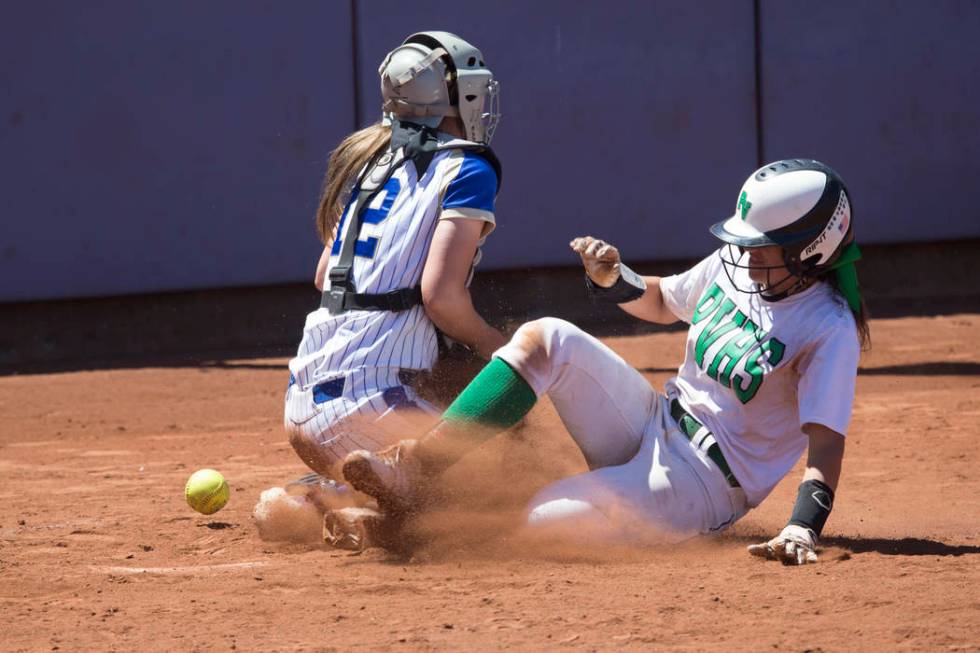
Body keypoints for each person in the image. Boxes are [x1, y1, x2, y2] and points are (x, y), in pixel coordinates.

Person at [332, 159, 870, 565]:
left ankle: (418, 528)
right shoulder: (738, 264)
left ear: (813, 250)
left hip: (704, 487)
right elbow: (661, 300)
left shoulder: (828, 327)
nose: (748, 252)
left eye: (765, 245)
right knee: (547, 338)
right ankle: (418, 473)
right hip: (654, 419)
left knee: (545, 520)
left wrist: (804, 527)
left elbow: (825, 443)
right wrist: (616, 278)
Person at [283, 31, 506, 499]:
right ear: (455, 94)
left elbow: (325, 277)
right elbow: (441, 299)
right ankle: (371, 492)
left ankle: (328, 495)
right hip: (372, 411)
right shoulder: (469, 168)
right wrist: (498, 349)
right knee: (511, 476)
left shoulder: (372, 163)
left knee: (446, 400)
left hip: (299, 406)